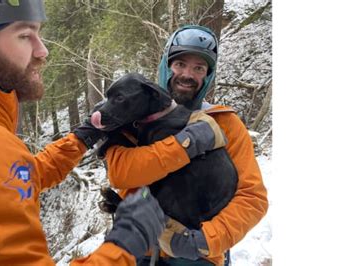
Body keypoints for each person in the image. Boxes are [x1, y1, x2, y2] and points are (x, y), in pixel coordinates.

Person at [0, 0, 167, 265]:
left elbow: (14, 179)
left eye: (39, 34)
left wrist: (82, 137)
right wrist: (124, 246)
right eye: (25, 35)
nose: (42, 51)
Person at [101, 25, 269, 265]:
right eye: (180, 64)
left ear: (208, 76)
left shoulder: (225, 123)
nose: (188, 75)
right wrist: (185, 145)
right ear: (166, 66)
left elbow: (252, 197)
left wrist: (204, 241)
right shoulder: (133, 117)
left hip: (196, 257)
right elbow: (121, 173)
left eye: (198, 68)